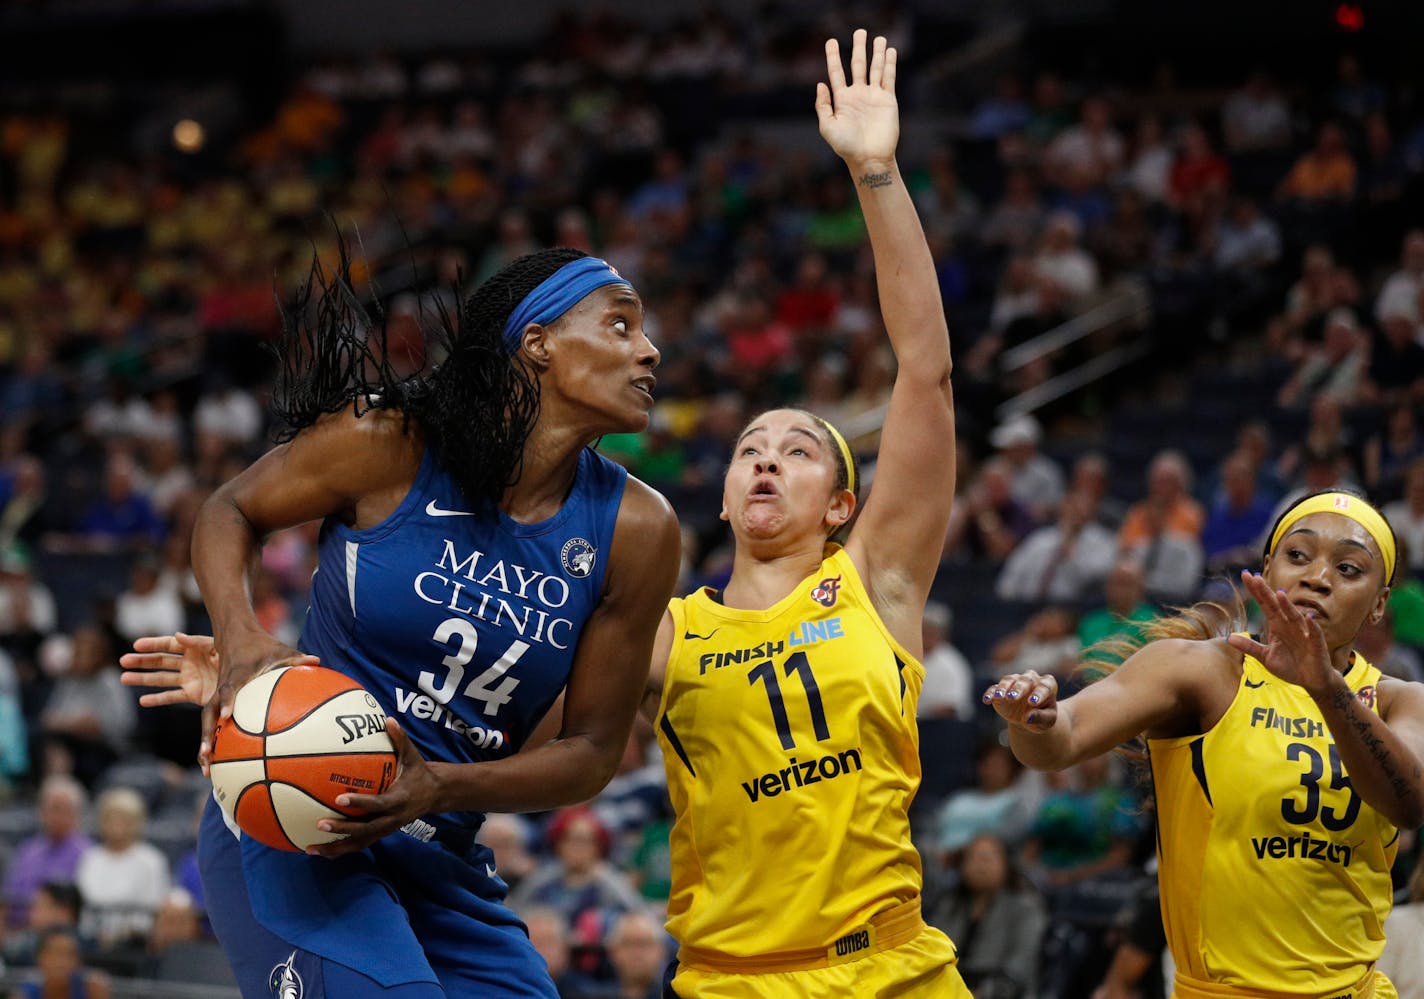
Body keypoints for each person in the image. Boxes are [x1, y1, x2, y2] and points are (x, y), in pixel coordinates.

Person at [122, 238, 680, 993]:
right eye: (621, 325)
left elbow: (590, 752)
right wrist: (242, 635)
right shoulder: (392, 442)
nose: (649, 351)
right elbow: (232, 508)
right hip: (304, 820)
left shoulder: (638, 531)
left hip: (440, 845)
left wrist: (441, 787)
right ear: (538, 343)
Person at [644, 31, 967, 996]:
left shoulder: (877, 580)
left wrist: (876, 172)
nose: (765, 462)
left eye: (795, 450)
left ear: (842, 502)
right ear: (725, 490)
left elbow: (926, 371)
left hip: (894, 968)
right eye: (749, 448)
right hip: (731, 978)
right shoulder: (670, 633)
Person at [985, 489, 1424, 996]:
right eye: (1297, 556)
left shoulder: (1399, 701)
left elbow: (1410, 803)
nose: (1317, 578)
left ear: (1379, 606)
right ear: (1268, 569)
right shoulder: (1201, 670)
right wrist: (1031, 719)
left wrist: (1325, 688)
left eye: (1348, 569)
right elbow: (1064, 738)